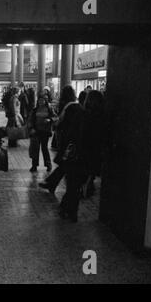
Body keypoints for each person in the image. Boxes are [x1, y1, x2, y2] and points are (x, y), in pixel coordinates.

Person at [39, 85, 78, 194]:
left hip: (67, 140)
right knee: (64, 163)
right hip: (72, 140)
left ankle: (51, 183)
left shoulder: (67, 107)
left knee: (64, 163)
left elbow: (61, 122)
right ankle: (51, 183)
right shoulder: (76, 105)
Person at [57, 91, 86, 222]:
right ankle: (69, 210)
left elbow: (68, 132)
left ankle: (67, 208)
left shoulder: (75, 111)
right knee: (76, 184)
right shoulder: (83, 113)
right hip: (82, 155)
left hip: (73, 154)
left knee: (73, 183)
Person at [82, 90, 105, 198]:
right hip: (96, 149)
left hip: (84, 149)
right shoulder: (102, 116)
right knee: (91, 172)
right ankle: (88, 187)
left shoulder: (83, 114)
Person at [28, 95, 56, 172]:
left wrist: (49, 120)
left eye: (42, 100)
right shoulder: (35, 110)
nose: (41, 102)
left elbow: (55, 117)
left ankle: (48, 165)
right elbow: (30, 120)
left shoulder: (49, 109)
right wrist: (32, 128)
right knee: (35, 148)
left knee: (44, 148)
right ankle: (34, 166)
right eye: (39, 100)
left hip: (45, 131)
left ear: (45, 101)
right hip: (36, 131)